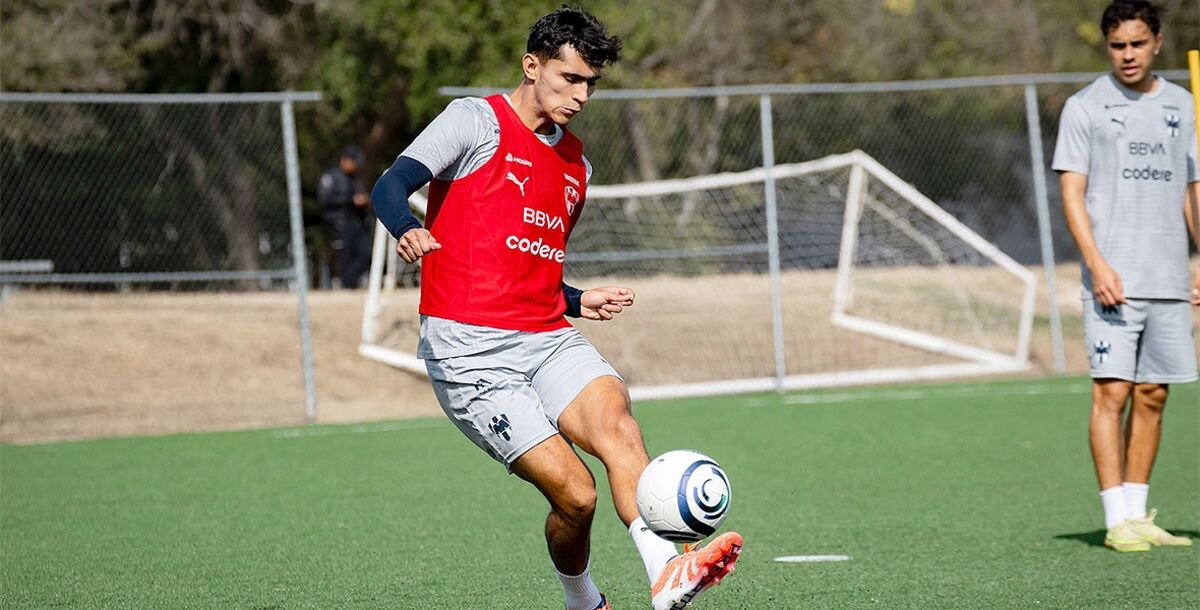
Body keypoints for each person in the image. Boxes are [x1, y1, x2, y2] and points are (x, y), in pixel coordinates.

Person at [370, 6, 741, 609]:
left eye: (591, 84)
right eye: (570, 79)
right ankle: (582, 600)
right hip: (469, 349)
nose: (581, 95)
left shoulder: (577, 166)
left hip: (544, 334)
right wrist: (403, 227)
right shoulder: (474, 120)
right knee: (577, 494)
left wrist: (575, 297)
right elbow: (390, 183)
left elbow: (525, 262)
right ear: (532, 65)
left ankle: (667, 570)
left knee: (618, 423)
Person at [1053, 0, 1198, 553]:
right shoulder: (1085, 107)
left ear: (1157, 42)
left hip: (1168, 274)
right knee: (1112, 391)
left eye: (1138, 44)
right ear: (1107, 46)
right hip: (1112, 275)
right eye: (1118, 46)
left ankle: (1140, 516)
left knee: (1155, 394)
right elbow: (1071, 191)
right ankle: (1116, 520)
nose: (1128, 55)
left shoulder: (1184, 106)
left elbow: (1192, 190)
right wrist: (1096, 264)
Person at [319, 146, 372, 288]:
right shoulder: (331, 177)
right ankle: (345, 283)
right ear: (345, 160)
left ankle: (350, 282)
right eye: (353, 162)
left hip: (357, 222)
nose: (355, 166)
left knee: (364, 252)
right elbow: (324, 200)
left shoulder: (354, 179)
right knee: (344, 256)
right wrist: (351, 200)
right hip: (339, 223)